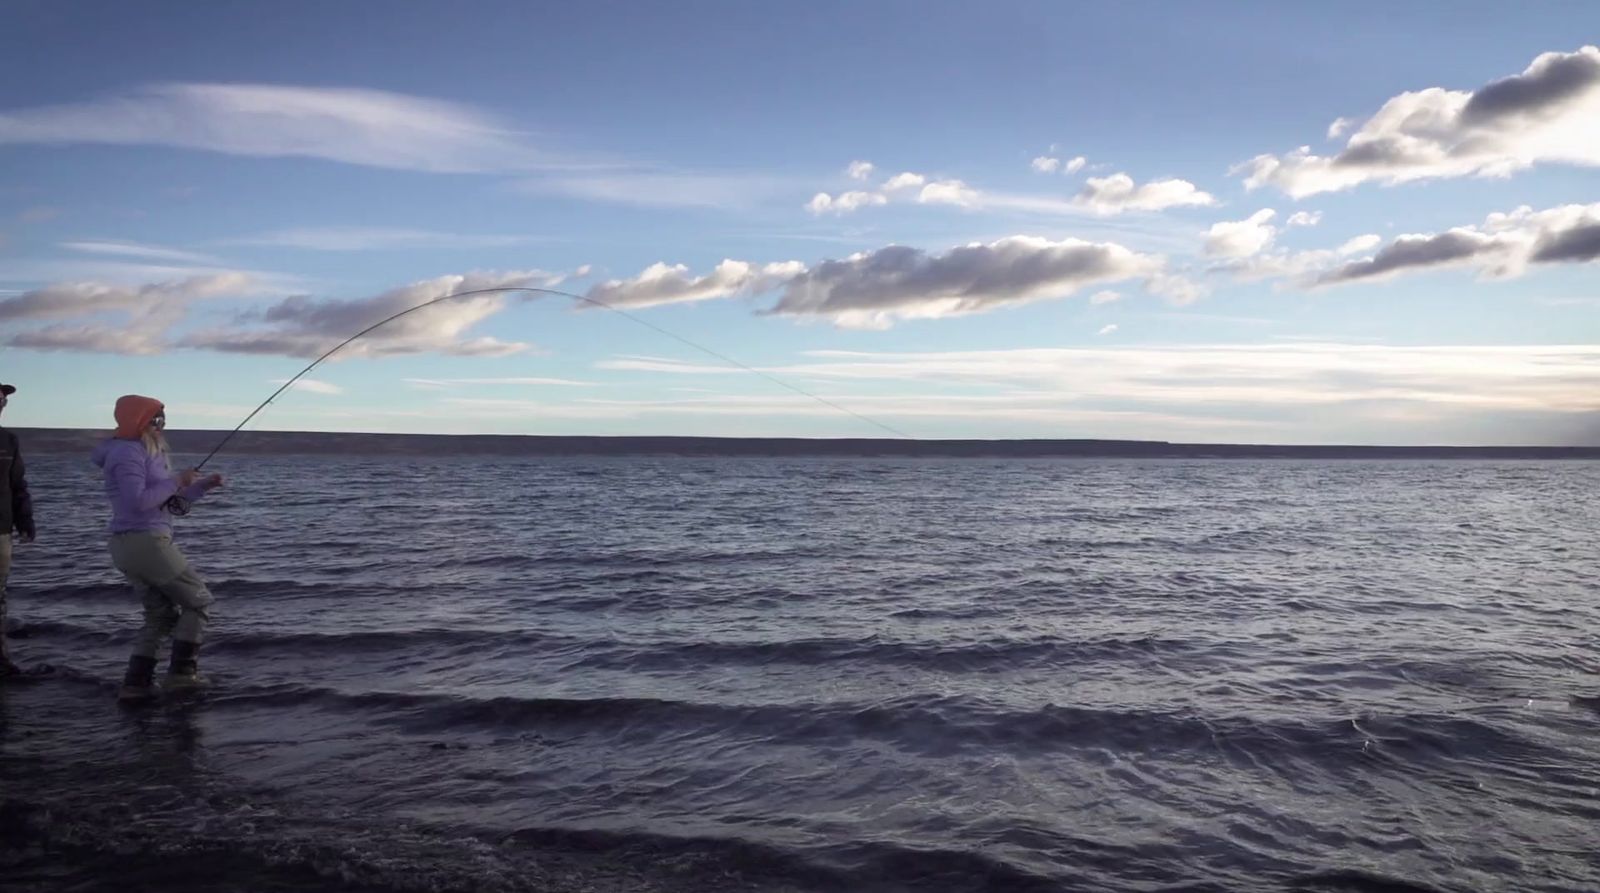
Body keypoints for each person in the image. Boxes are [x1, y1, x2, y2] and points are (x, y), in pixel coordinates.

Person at [91, 395, 223, 702]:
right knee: (198, 601)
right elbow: (138, 502)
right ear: (138, 421)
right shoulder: (128, 454)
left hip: (132, 544)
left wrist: (199, 487)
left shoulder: (142, 452)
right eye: (156, 420)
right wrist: (178, 480)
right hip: (144, 542)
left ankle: (136, 685)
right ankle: (181, 676)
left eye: (163, 420)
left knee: (160, 616)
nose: (161, 426)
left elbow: (166, 503)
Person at [1, 382, 37, 678]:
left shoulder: (9, 441)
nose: (1, 401)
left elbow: (18, 485)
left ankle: (1, 661)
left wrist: (25, 522)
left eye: (3, 398)